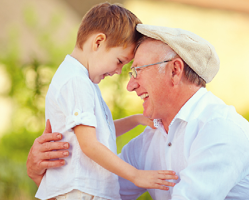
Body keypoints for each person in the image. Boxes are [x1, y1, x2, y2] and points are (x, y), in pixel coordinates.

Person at [27, 24, 249, 199]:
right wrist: (44, 174)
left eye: (137, 70)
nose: (130, 85)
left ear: (175, 71)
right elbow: (99, 191)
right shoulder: (152, 139)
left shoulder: (221, 130)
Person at [34, 4, 177, 200]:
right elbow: (90, 145)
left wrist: (137, 120)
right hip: (83, 191)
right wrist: (137, 176)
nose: (118, 71)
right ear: (98, 42)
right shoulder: (76, 81)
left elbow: (99, 133)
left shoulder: (81, 79)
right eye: (119, 61)